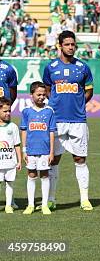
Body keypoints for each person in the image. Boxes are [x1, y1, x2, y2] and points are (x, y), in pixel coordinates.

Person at [42, 30, 94, 211]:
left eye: (73, 44)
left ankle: (84, 199)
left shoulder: (83, 67)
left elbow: (88, 90)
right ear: (60, 46)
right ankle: (51, 199)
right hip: (56, 120)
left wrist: (79, 102)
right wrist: (55, 103)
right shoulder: (50, 67)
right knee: (53, 160)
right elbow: (47, 89)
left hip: (78, 119)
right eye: (67, 44)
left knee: (80, 159)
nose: (71, 47)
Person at [20, 82, 56, 215]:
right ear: (31, 95)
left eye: (43, 94)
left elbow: (52, 132)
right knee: (31, 175)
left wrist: (51, 151)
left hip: (45, 151)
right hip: (30, 151)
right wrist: (24, 150)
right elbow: (23, 131)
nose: (41, 97)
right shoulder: (26, 111)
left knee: (45, 175)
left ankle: (45, 205)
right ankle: (30, 204)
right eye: (38, 94)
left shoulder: (49, 111)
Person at [0, 97, 21, 214]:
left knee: (10, 183)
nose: (8, 113)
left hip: (10, 162)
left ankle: (8, 205)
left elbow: (17, 145)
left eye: (9, 111)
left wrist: (19, 161)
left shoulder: (13, 127)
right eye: (5, 111)